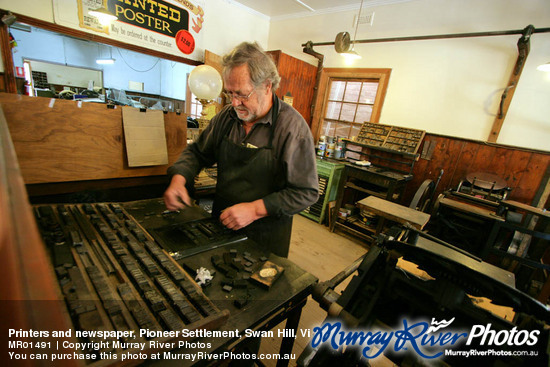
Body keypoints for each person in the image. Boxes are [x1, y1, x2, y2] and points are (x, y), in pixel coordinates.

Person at [163, 41, 319, 258]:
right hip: (222, 225)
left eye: (242, 94)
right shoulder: (227, 117)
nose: (235, 103)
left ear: (266, 86)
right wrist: (179, 178)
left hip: (266, 236)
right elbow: (198, 152)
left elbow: (306, 192)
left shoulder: (292, 128)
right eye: (229, 94)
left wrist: (255, 209)